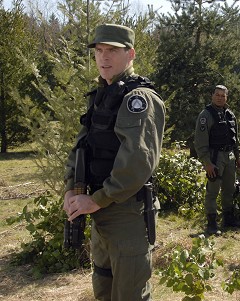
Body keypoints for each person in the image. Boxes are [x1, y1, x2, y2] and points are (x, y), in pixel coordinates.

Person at [63, 23, 165, 300]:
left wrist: (97, 199)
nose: (103, 57)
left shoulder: (138, 99)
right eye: (98, 50)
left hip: (125, 213)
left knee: (129, 293)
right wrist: (72, 189)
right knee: (104, 288)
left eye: (112, 50)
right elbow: (82, 147)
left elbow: (137, 162)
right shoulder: (101, 95)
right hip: (99, 210)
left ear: (130, 54)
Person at [194, 85, 240, 235]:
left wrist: (238, 156)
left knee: (229, 189)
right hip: (215, 157)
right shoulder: (205, 115)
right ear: (212, 96)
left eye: (223, 95)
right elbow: (200, 142)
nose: (220, 97)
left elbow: (235, 137)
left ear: (226, 98)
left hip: (230, 157)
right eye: (217, 95)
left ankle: (228, 219)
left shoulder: (230, 114)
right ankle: (211, 223)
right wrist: (207, 163)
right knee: (212, 191)